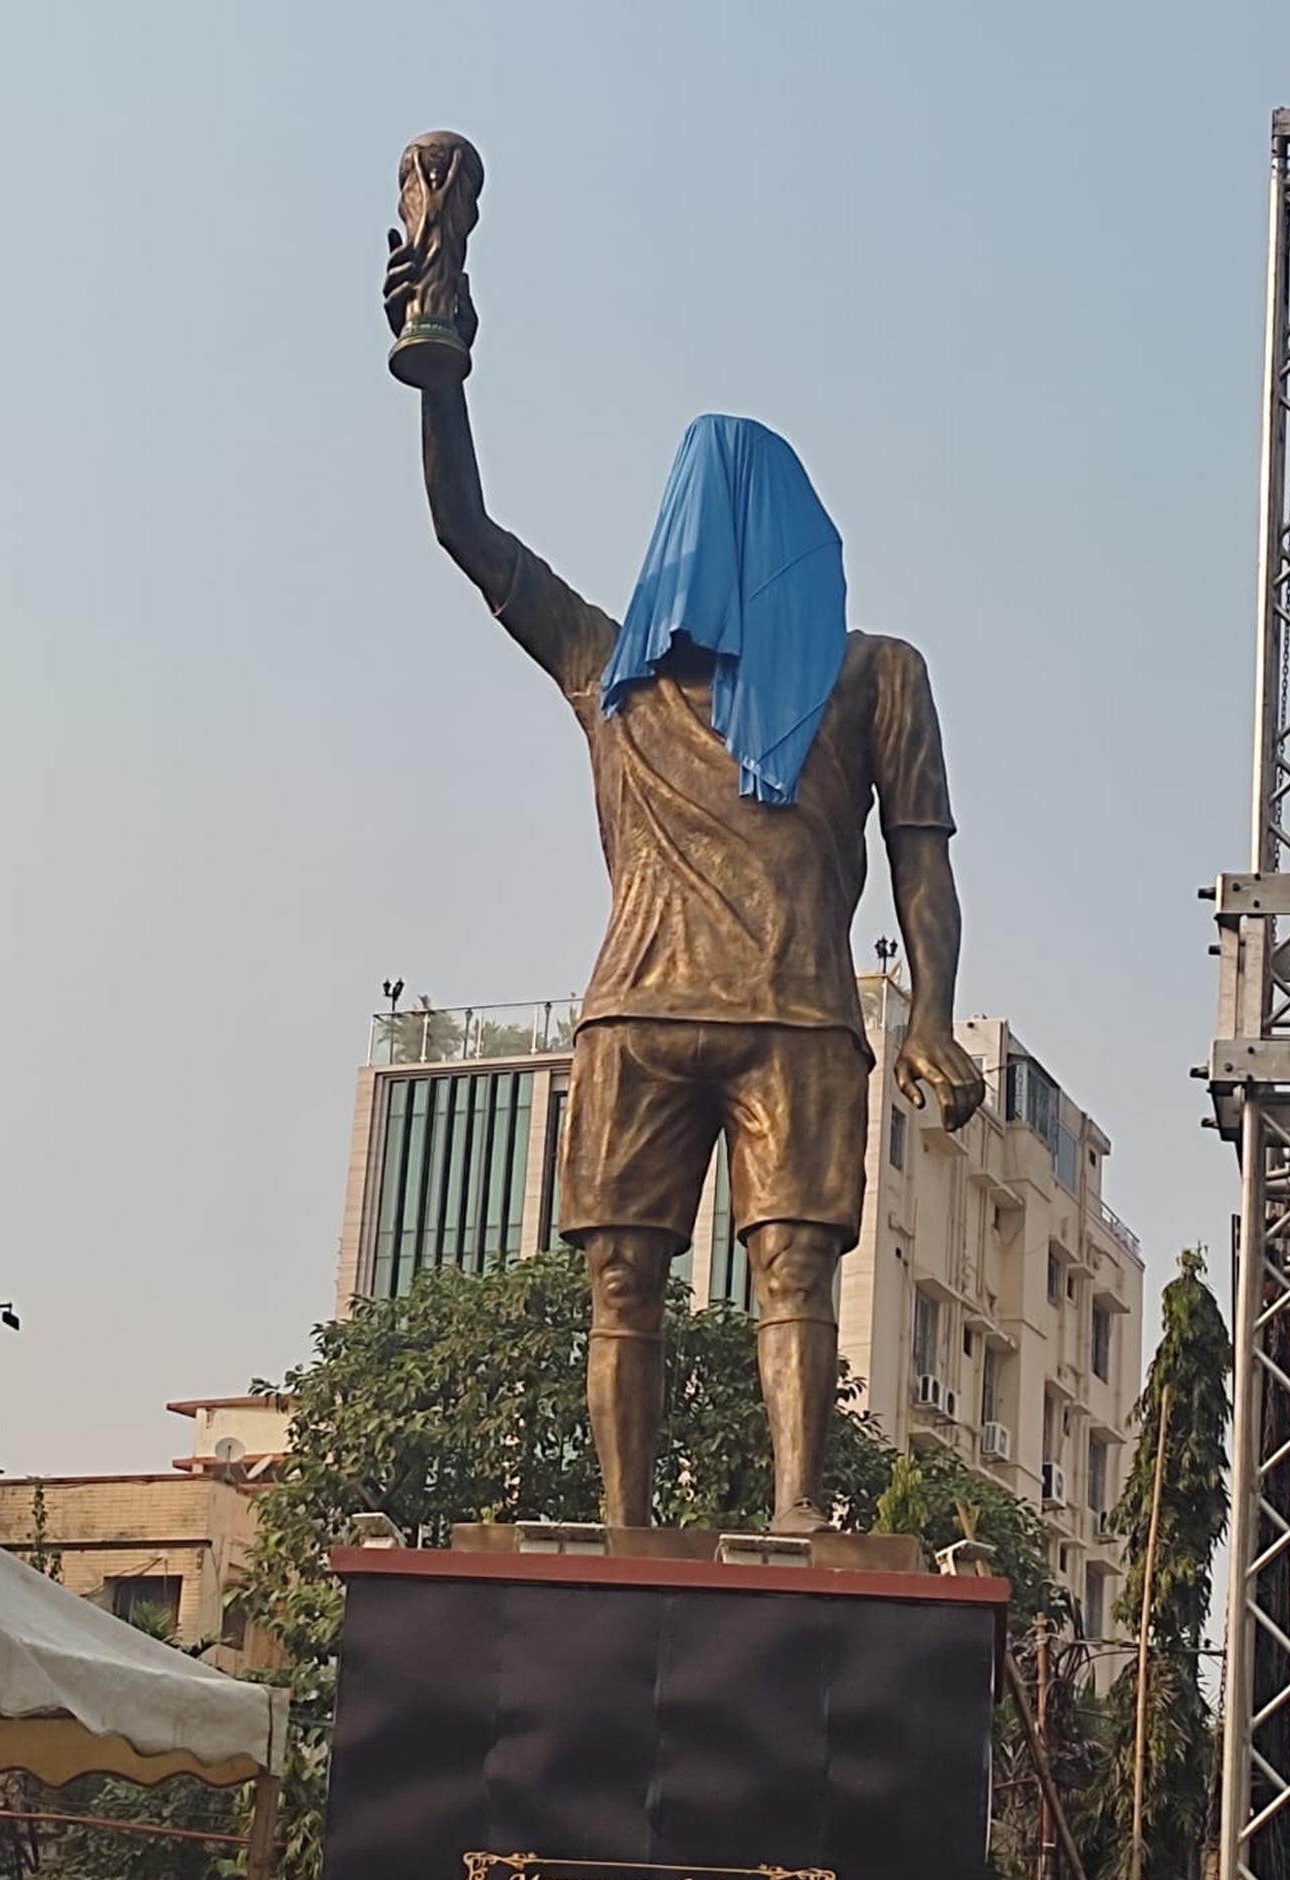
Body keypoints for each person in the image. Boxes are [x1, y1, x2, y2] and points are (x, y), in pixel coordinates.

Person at [384, 243, 986, 1535]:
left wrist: (933, 1011)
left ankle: (704, 1515)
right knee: (775, 1283)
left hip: (694, 1017)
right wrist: (441, 367)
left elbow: (468, 535)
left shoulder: (646, 666)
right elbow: (924, 872)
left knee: (676, 1286)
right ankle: (741, 1512)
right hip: (763, 1017)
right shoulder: (732, 669)